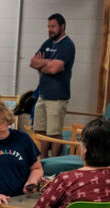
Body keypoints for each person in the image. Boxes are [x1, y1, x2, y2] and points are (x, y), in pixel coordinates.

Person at [30, 14, 76, 157]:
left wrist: (43, 64)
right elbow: (32, 62)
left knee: (54, 133)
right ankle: (42, 160)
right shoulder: (48, 43)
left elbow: (54, 69)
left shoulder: (67, 45)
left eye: (53, 26)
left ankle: (53, 162)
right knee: (39, 130)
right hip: (43, 95)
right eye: (49, 26)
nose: (50, 30)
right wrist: (48, 63)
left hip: (57, 97)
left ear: (62, 26)